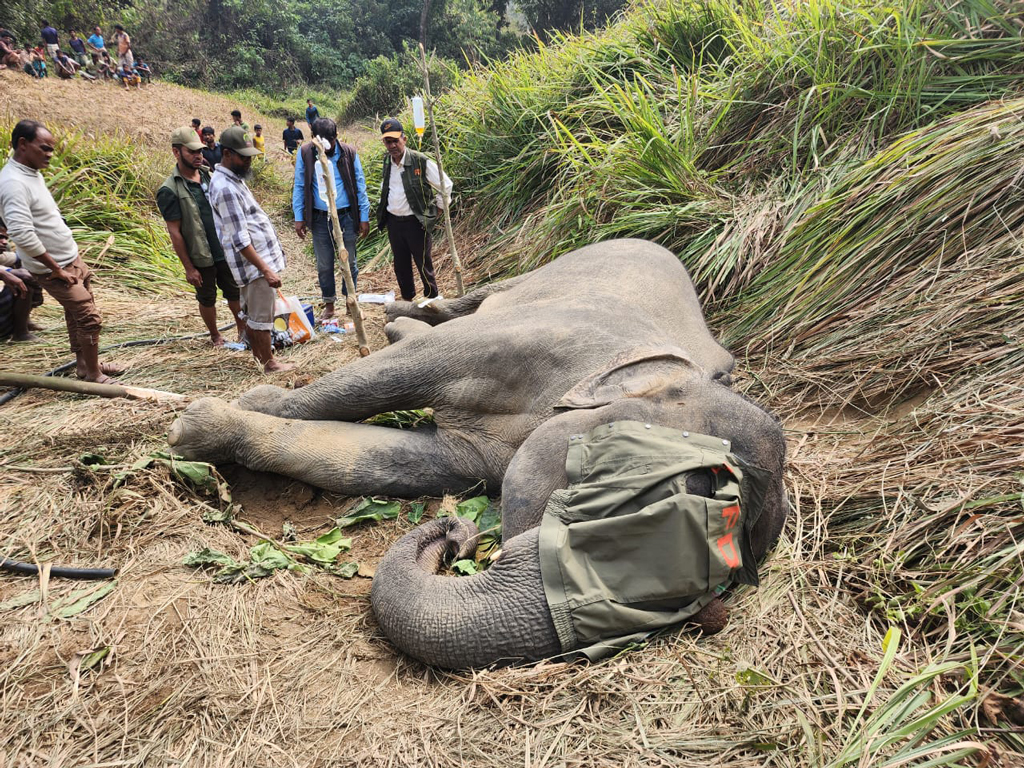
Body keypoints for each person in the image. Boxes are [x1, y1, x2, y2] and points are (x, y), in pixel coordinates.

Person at [0, 120, 124, 382]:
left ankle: (85, 365)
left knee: (77, 314)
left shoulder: (30, 172)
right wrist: (56, 269)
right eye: (44, 148)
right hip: (53, 268)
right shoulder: (13, 183)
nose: (49, 154)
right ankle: (93, 375)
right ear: (22, 144)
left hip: (70, 259)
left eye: (51, 149)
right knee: (89, 318)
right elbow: (22, 234)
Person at [208, 126, 294, 373]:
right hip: (253, 265)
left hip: (255, 263)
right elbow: (240, 239)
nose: (248, 161)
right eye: (243, 157)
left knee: (256, 315)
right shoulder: (225, 188)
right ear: (226, 154)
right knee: (261, 318)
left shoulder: (233, 180)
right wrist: (265, 269)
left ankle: (261, 357)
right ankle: (269, 363)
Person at [157, 127, 246, 347]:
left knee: (234, 293)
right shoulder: (170, 190)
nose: (198, 156)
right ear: (176, 153)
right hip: (200, 255)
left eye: (200, 151)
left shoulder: (210, 175)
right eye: (192, 152)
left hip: (223, 248)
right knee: (207, 297)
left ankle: (243, 331)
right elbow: (175, 232)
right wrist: (189, 267)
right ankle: (215, 335)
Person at [293, 117, 370, 320]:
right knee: (324, 264)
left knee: (349, 261)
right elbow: (300, 185)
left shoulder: (349, 153)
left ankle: (350, 300)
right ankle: (329, 304)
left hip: (346, 216)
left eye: (329, 143)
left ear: (336, 137)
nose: (325, 148)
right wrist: (299, 217)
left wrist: (364, 216)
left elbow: (360, 186)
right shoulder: (306, 153)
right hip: (320, 218)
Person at [376, 118, 452, 301]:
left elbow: (446, 185)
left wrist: (436, 211)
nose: (393, 145)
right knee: (400, 265)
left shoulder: (420, 161)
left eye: (396, 140)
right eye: (388, 141)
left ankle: (432, 298)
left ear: (405, 139)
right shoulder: (387, 162)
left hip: (416, 222)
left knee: (423, 262)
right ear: (384, 142)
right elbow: (386, 188)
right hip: (394, 222)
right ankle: (408, 299)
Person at [0, 216, 44, 342]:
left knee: (25, 266)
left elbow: (20, 258)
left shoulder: (3, 255)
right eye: (0, 238)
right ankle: (20, 333)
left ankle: (24, 321)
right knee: (22, 280)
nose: (4, 242)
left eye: (5, 238)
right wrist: (6, 273)